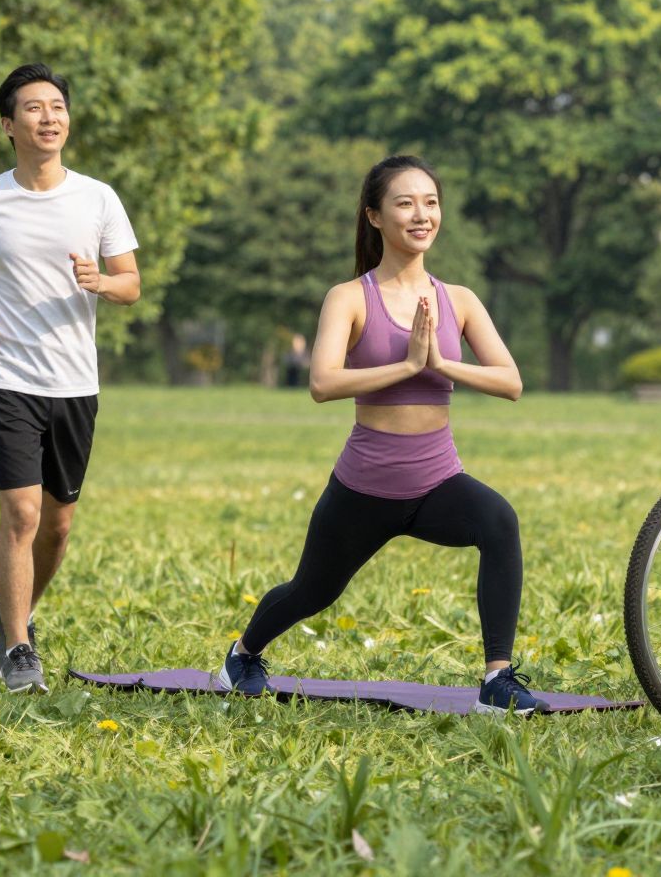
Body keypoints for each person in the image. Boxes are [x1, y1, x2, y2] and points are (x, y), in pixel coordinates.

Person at [218, 155, 549, 714]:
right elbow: (322, 382)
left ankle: (496, 679)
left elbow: (511, 381)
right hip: (364, 489)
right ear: (374, 216)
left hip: (436, 481)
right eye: (405, 203)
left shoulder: (459, 299)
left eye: (430, 202)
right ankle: (242, 655)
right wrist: (406, 364)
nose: (421, 215)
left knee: (499, 522)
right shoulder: (349, 297)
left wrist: (442, 364)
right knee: (312, 592)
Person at [0, 63, 141, 694]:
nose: (49, 117)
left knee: (57, 524)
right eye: (33, 108)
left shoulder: (98, 198)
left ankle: (7, 611)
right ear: (8, 125)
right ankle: (19, 646)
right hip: (6, 378)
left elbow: (131, 284)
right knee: (21, 514)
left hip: (75, 382)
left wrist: (101, 283)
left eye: (57, 107)